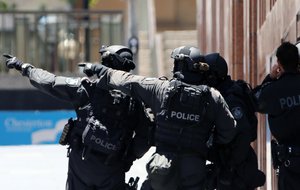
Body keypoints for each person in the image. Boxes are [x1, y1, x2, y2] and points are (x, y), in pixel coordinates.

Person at [79, 45, 237, 190]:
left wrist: (98, 69)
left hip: (161, 169)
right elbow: (229, 131)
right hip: (194, 168)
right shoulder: (213, 96)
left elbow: (127, 81)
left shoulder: (160, 88)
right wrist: (207, 143)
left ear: (181, 65)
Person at [3, 45, 153, 190]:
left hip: (82, 163)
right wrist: (128, 158)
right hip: (113, 167)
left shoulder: (88, 89)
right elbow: (145, 136)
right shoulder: (136, 102)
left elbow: (50, 82)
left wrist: (25, 67)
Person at [202, 53, 265, 190]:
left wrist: (229, 169)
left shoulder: (231, 99)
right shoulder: (220, 94)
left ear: (214, 75)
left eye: (206, 75)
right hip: (228, 163)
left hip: (238, 167)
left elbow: (243, 134)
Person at [253, 42, 300, 190]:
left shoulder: (272, 90)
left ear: (279, 63)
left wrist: (270, 78)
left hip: (290, 164)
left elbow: (253, 101)